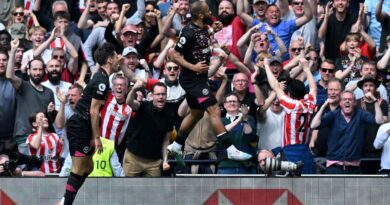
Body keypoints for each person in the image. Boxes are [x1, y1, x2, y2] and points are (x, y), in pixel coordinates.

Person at [167, 1, 251, 161]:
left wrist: (214, 30)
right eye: (207, 11)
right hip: (192, 79)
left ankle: (176, 146)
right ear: (200, 15)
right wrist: (194, 67)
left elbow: (205, 37)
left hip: (199, 78)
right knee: (214, 109)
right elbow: (174, 55)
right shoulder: (188, 32)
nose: (211, 13)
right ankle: (231, 149)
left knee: (197, 114)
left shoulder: (204, 27)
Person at [59, 43, 120, 205]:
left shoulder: (102, 76)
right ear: (109, 60)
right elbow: (93, 111)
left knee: (88, 168)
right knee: (79, 169)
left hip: (84, 126)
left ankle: (65, 199)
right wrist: (97, 137)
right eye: (116, 56)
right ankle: (65, 202)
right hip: (79, 126)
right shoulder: (102, 81)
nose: (118, 59)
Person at [264, 56, 317, 174]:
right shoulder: (310, 104)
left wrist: (267, 66)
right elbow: (313, 88)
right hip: (305, 150)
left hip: (290, 151)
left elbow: (274, 86)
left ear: (290, 93)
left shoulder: (291, 105)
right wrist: (306, 68)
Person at [311, 90, 384, 174]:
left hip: (354, 168)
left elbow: (379, 121)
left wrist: (374, 100)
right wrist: (324, 105)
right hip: (334, 167)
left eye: (350, 99)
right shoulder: (333, 115)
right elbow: (314, 125)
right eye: (344, 99)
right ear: (340, 103)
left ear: (355, 103)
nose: (347, 101)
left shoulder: (360, 115)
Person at [6, 38, 55, 156]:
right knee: (26, 171)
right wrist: (13, 50)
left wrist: (50, 113)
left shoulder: (49, 92)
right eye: (34, 69)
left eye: (40, 69)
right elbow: (9, 75)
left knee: (41, 171)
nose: (37, 72)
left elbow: (50, 120)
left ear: (44, 71)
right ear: (28, 71)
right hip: (24, 136)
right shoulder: (23, 85)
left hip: (42, 137)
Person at [124, 81, 173, 176]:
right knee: (129, 189)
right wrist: (134, 89)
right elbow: (129, 102)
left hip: (154, 163)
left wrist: (165, 160)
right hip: (133, 159)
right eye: (158, 94)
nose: (161, 97)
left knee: (152, 190)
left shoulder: (169, 114)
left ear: (166, 95)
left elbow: (166, 140)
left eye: (163, 94)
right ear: (153, 96)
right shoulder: (143, 106)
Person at [217, 93, 258, 174]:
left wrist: (245, 120)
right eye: (229, 102)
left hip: (247, 165)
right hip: (226, 165)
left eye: (234, 101)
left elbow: (250, 137)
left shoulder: (249, 118)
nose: (232, 103)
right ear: (224, 105)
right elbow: (222, 133)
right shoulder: (220, 120)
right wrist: (239, 120)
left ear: (239, 104)